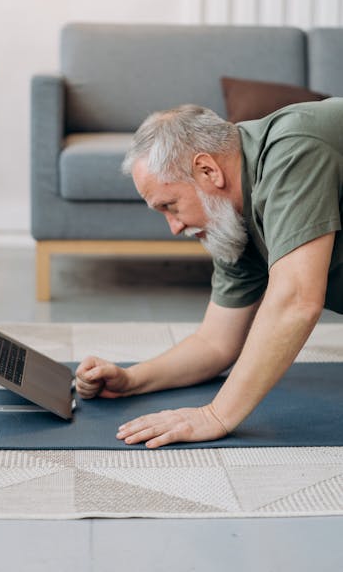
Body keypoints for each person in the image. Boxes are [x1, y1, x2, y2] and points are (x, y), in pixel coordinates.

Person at [75, 98, 343, 448]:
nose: (173, 227)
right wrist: (131, 379)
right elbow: (215, 343)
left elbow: (296, 300)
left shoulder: (294, 149)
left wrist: (216, 414)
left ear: (207, 171)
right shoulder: (233, 218)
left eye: (169, 206)